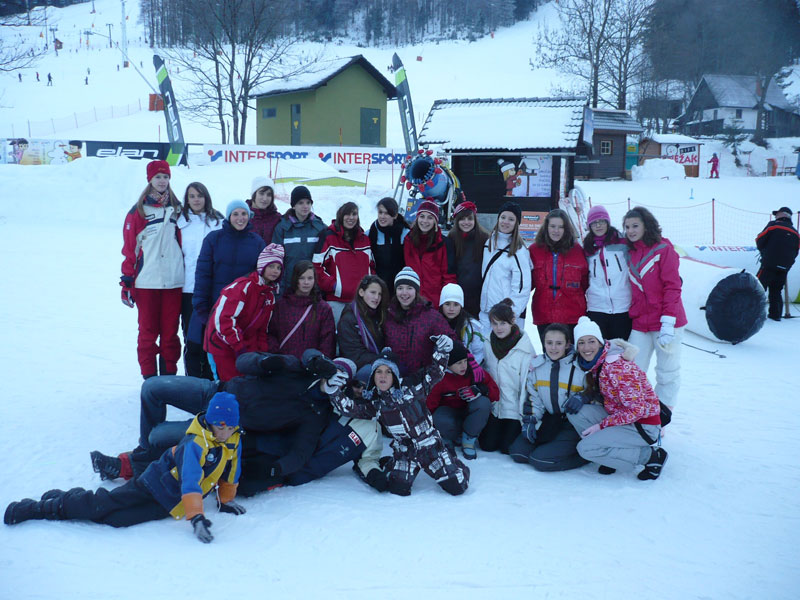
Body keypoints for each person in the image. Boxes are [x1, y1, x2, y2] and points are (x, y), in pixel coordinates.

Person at [6, 393, 244, 545]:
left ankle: (70, 498)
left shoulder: (233, 439)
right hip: (153, 484)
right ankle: (39, 508)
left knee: (116, 519)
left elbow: (232, 469)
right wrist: (197, 517)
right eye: (220, 426)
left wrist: (226, 499)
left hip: (170, 501)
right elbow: (190, 480)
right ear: (210, 422)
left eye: (230, 427)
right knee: (103, 505)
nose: (225, 432)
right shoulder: (195, 444)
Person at [325, 337, 471, 497]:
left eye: (388, 372)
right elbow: (351, 409)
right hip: (406, 451)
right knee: (398, 489)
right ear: (373, 376)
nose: (383, 376)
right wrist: (333, 390)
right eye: (379, 371)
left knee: (457, 486)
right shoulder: (376, 403)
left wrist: (442, 351)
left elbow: (435, 373)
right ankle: (392, 463)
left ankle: (450, 459)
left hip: (430, 447)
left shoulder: (413, 389)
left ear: (394, 375)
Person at [568, 316, 668, 480]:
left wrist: (601, 426)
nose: (586, 347)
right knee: (577, 412)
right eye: (581, 342)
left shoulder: (617, 367)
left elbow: (636, 410)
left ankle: (650, 456)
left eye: (591, 341)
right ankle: (610, 453)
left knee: (585, 449)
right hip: (621, 417)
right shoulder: (597, 362)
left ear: (600, 342)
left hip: (642, 425)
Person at [120, 160, 184, 379]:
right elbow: (130, 250)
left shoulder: (178, 209)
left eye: (165, 177)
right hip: (147, 282)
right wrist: (127, 282)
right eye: (158, 177)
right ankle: (149, 378)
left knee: (170, 334)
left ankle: (168, 377)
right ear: (150, 179)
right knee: (148, 334)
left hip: (174, 282)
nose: (162, 181)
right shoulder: (138, 211)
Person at [187, 199, 266, 373]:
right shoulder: (214, 239)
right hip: (213, 305)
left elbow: (260, 277)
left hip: (241, 309)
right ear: (229, 216)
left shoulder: (257, 242)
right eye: (235, 214)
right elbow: (202, 274)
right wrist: (201, 306)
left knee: (234, 351)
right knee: (203, 349)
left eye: (244, 214)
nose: (240, 218)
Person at [624, 207, 686, 410]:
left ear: (646, 225)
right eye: (627, 227)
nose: (630, 231)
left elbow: (673, 286)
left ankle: (662, 413)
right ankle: (636, 410)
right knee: (632, 369)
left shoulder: (664, 250)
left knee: (667, 371)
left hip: (666, 321)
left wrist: (668, 320)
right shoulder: (631, 252)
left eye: (635, 226)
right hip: (641, 321)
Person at [509, 323, 588, 471]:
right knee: (518, 453)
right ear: (543, 343)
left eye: (559, 343)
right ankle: (552, 446)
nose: (553, 348)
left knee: (539, 460)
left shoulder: (580, 367)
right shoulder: (537, 367)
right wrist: (530, 420)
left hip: (572, 424)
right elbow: (534, 398)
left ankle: (585, 456)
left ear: (567, 344)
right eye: (549, 343)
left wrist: (583, 397)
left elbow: (593, 392)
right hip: (549, 420)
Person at [205, 244, 283, 381]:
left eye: (279, 268)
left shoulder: (270, 296)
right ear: (262, 266)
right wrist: (240, 347)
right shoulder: (243, 287)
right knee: (228, 385)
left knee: (247, 386)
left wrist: (261, 354)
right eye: (271, 266)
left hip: (245, 349)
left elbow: (262, 329)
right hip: (222, 345)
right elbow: (223, 320)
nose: (275, 271)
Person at [177, 182, 223, 378]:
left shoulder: (218, 222)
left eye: (200, 195)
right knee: (192, 338)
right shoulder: (180, 223)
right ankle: (193, 380)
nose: (196, 200)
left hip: (212, 290)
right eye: (192, 196)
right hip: (188, 290)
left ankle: (211, 379)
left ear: (206, 198)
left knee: (212, 337)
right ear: (187, 199)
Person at [480, 299, 536, 454]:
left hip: (514, 410)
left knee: (507, 448)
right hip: (495, 407)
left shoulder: (524, 348)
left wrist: (524, 416)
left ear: (512, 321)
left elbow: (527, 385)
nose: (498, 328)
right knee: (487, 445)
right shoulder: (487, 343)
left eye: (503, 323)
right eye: (495, 323)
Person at [426, 342, 498, 460]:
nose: (464, 366)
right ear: (448, 364)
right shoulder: (440, 378)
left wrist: (482, 389)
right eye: (459, 363)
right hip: (450, 416)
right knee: (437, 417)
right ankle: (448, 438)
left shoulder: (474, 372)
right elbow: (430, 405)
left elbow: (495, 393)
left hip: (470, 415)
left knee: (483, 403)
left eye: (465, 361)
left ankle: (468, 439)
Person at [529, 208, 588, 344]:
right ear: (546, 227)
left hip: (572, 314)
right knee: (550, 352)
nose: (556, 231)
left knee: (571, 353)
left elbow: (585, 282)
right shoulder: (534, 250)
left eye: (561, 227)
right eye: (553, 226)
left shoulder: (577, 251)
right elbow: (527, 283)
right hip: (544, 313)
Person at [384, 267, 454, 377]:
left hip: (422, 379)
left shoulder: (431, 316)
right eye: (400, 288)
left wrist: (449, 343)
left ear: (416, 290)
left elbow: (453, 340)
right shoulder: (388, 315)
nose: (404, 293)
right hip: (393, 378)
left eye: (409, 288)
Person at [314, 201, 375, 323]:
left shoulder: (364, 239)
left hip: (361, 301)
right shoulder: (328, 237)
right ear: (340, 216)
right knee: (337, 333)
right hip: (337, 301)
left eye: (354, 214)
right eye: (347, 214)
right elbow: (316, 266)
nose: (351, 218)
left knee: (359, 334)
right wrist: (334, 286)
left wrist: (369, 286)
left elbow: (371, 266)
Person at [479, 200, 532, 335]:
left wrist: (511, 314)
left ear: (517, 223)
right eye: (503, 217)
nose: (506, 222)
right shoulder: (489, 243)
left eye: (511, 219)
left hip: (505, 317)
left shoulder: (519, 251)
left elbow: (522, 288)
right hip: (486, 312)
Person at [267, 260, 335, 360]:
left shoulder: (323, 309)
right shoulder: (281, 305)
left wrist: (319, 363)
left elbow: (327, 342)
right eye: (302, 278)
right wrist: (277, 357)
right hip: (285, 364)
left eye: (310, 278)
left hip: (311, 365)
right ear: (295, 279)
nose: (306, 282)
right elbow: (271, 334)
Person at [582, 205, 632, 341]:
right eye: (594, 223)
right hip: (597, 308)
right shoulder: (587, 247)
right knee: (600, 348)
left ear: (608, 222)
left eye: (602, 221)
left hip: (622, 307)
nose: (598, 225)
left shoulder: (623, 242)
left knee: (620, 349)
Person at [271, 185, 326, 296]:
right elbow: (276, 259)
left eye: (308, 203)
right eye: (301, 203)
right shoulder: (282, 228)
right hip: (289, 286)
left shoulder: (320, 227)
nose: (305, 206)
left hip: (311, 287)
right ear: (293, 205)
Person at [402, 199, 456, 307]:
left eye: (430, 217)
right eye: (422, 216)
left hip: (434, 301)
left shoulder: (443, 243)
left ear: (435, 221)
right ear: (417, 218)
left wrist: (446, 302)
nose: (425, 221)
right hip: (412, 299)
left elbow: (449, 276)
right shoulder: (408, 240)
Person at [445, 201, 489, 317]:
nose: (466, 222)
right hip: (457, 293)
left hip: (478, 294)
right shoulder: (452, 237)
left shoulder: (484, 238)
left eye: (469, 219)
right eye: (462, 219)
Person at [337, 274, 389, 372]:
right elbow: (354, 355)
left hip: (377, 362)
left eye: (380, 294)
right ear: (361, 292)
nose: (376, 297)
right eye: (373, 292)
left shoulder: (379, 315)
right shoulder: (349, 319)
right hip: (357, 369)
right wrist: (382, 359)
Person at [755, 206, 799, 321]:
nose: (775, 216)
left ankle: (752, 313)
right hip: (784, 266)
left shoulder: (773, 225)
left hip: (769, 263)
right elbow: (796, 251)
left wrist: (764, 251)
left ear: (783, 214)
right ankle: (776, 315)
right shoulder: (796, 233)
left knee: (758, 288)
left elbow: (759, 240)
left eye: (777, 214)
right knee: (776, 290)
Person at [368, 197, 409, 294]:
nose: (382, 216)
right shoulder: (371, 233)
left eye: (387, 213)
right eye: (380, 212)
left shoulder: (405, 234)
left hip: (399, 286)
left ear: (395, 215)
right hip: (377, 286)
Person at [438, 282, 486, 365]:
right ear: (441, 305)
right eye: (447, 304)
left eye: (456, 304)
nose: (451, 309)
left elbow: (480, 352)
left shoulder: (473, 327)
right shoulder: (435, 324)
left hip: (467, 368)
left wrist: (468, 367)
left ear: (461, 306)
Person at [247, 176, 281, 248]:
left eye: (269, 195)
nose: (265, 198)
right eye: (261, 193)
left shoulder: (277, 218)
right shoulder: (243, 215)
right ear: (254, 194)